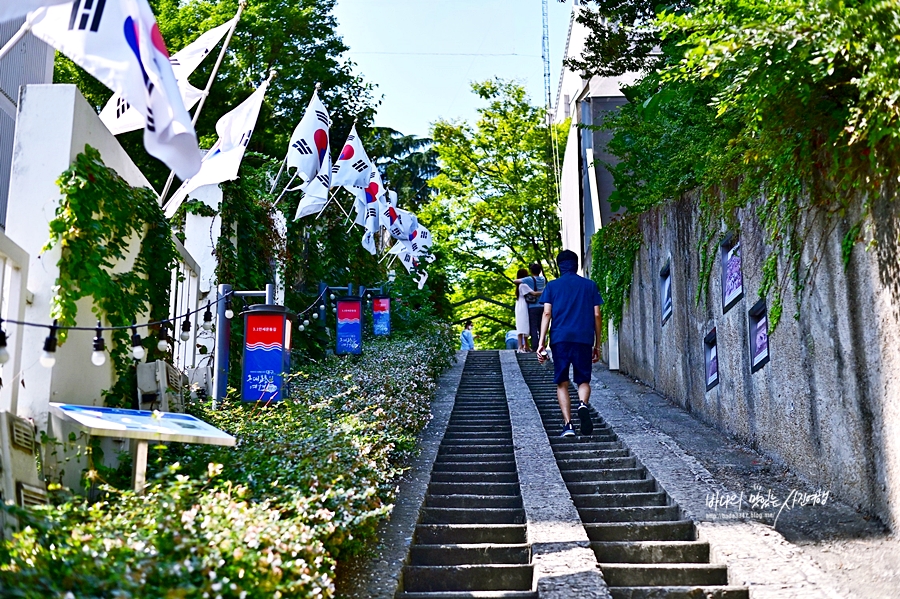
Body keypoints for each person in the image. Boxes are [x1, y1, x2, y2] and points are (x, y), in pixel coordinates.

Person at [536, 250, 603, 437]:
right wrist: (597, 343)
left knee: (562, 383)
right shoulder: (589, 285)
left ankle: (569, 426)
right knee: (583, 379)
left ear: (560, 265)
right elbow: (597, 314)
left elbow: (547, 313)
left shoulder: (552, 286)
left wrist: (541, 343)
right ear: (576, 264)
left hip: (560, 339)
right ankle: (583, 404)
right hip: (583, 338)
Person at [514, 262, 547, 348]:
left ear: (531, 271)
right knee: (541, 327)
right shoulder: (543, 279)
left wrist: (524, 279)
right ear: (540, 271)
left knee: (533, 328)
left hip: (532, 306)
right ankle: (542, 345)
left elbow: (515, 281)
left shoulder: (528, 279)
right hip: (542, 305)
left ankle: (535, 347)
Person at [514, 267, 534, 352]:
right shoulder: (524, 285)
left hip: (519, 305)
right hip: (524, 306)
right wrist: (544, 291)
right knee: (524, 325)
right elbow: (533, 293)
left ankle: (524, 346)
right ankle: (522, 346)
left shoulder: (519, 286)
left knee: (521, 325)